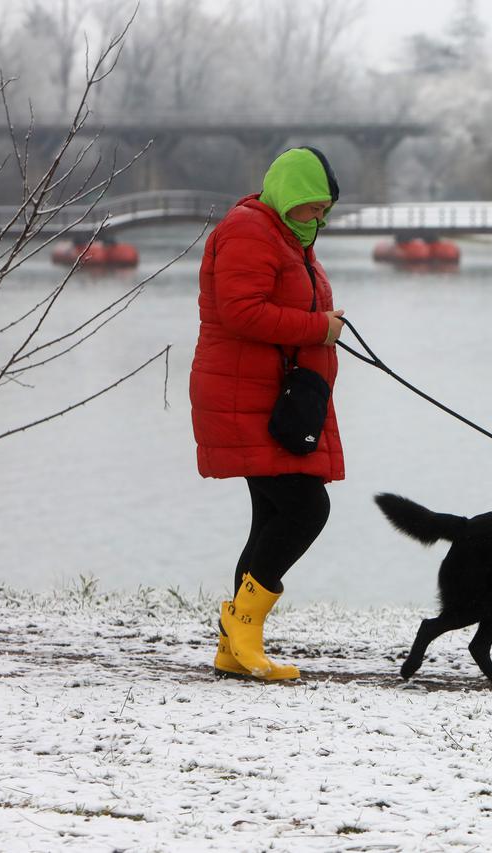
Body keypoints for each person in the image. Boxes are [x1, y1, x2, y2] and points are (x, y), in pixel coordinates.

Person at [189, 147, 346, 681]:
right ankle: (241, 630)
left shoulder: (287, 237)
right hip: (245, 396)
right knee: (305, 509)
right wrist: (318, 329)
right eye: (310, 207)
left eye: (325, 209)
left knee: (273, 516)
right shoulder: (250, 231)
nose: (318, 218)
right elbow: (240, 311)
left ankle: (233, 649)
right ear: (286, 196)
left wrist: (321, 326)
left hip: (272, 395)